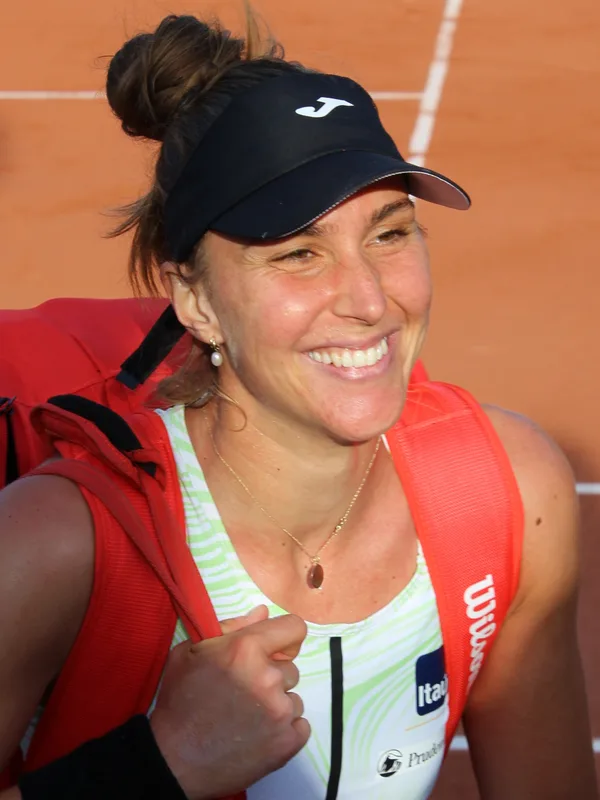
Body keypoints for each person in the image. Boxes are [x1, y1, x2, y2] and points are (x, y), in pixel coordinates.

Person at [0, 9, 597, 800]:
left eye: (389, 234)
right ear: (196, 300)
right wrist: (160, 765)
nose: (369, 298)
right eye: (298, 254)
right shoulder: (56, 548)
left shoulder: (508, 494)